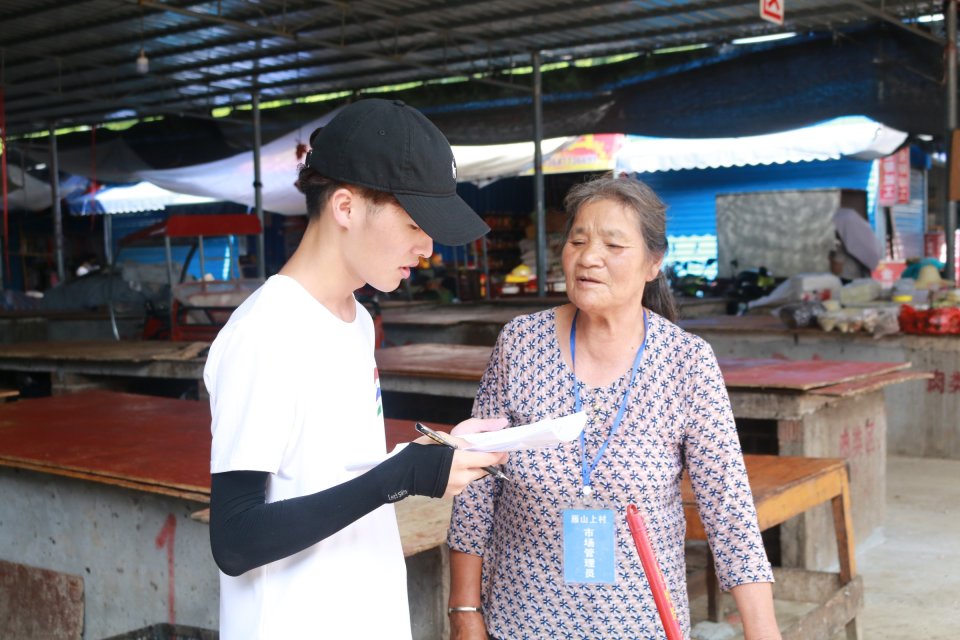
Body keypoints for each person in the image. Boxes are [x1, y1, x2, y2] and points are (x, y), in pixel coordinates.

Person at [204, 99, 508, 639]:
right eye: (414, 223)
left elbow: (335, 472)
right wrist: (401, 476)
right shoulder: (266, 332)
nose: (427, 247)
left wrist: (431, 455)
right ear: (345, 206)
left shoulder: (356, 320)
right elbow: (236, 539)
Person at [447, 173, 781, 640]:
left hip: (640, 625)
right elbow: (476, 488)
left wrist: (763, 632)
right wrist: (464, 610)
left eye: (614, 245)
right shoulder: (520, 344)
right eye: (577, 240)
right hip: (520, 621)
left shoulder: (686, 362)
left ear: (653, 263)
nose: (589, 257)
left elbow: (729, 509)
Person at [829, 207, 881, 282]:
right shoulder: (862, 241)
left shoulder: (844, 246)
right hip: (860, 280)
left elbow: (836, 269)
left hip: (846, 281)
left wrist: (831, 257)